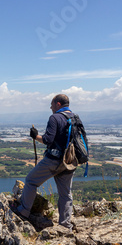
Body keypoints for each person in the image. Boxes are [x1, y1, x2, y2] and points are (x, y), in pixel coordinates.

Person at [17, 94, 77, 230]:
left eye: (52, 104)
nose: (50, 107)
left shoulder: (55, 118)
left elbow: (47, 140)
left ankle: (24, 211)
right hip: (69, 162)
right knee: (65, 194)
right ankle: (65, 225)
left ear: (58, 104)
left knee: (31, 180)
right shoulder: (75, 118)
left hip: (53, 160)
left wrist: (35, 136)